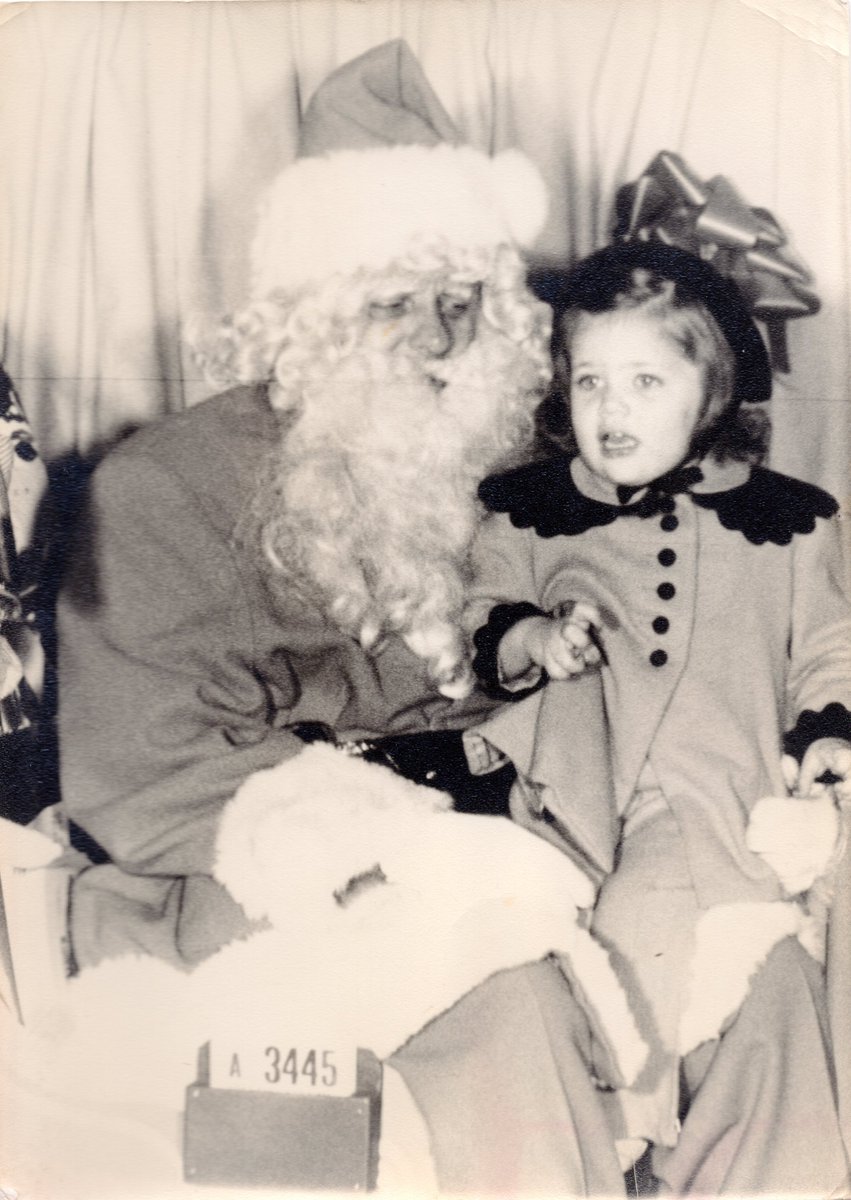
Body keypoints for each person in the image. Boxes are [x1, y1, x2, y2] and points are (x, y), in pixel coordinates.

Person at [57, 40, 634, 1196]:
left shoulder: (516, 466)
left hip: (494, 841)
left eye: (460, 305)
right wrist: (406, 847)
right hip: (245, 876)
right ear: (310, 315)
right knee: (506, 1003)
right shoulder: (160, 487)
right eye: (391, 306)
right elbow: (144, 765)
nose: (435, 342)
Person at [465, 238, 851, 1193]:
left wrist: (828, 732)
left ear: (709, 387)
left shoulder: (792, 519)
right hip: (586, 808)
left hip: (734, 799)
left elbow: (827, 647)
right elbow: (483, 622)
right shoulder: (526, 512)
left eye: (644, 381)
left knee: (764, 1004)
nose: (611, 410)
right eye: (589, 381)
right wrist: (533, 644)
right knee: (613, 993)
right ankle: (623, 1156)